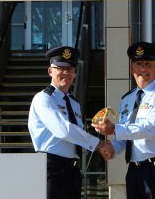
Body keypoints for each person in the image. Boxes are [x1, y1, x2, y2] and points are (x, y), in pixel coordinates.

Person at [93, 42, 155, 199]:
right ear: (132, 68)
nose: (143, 69)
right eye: (138, 64)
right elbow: (128, 135)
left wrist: (113, 129)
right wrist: (112, 148)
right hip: (133, 170)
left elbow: (149, 128)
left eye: (148, 64)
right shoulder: (127, 98)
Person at [28, 46, 107, 199]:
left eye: (70, 69)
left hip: (72, 170)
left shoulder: (74, 103)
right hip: (51, 168)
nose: (66, 73)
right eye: (61, 68)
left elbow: (74, 138)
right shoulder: (43, 98)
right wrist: (99, 144)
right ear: (50, 71)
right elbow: (63, 130)